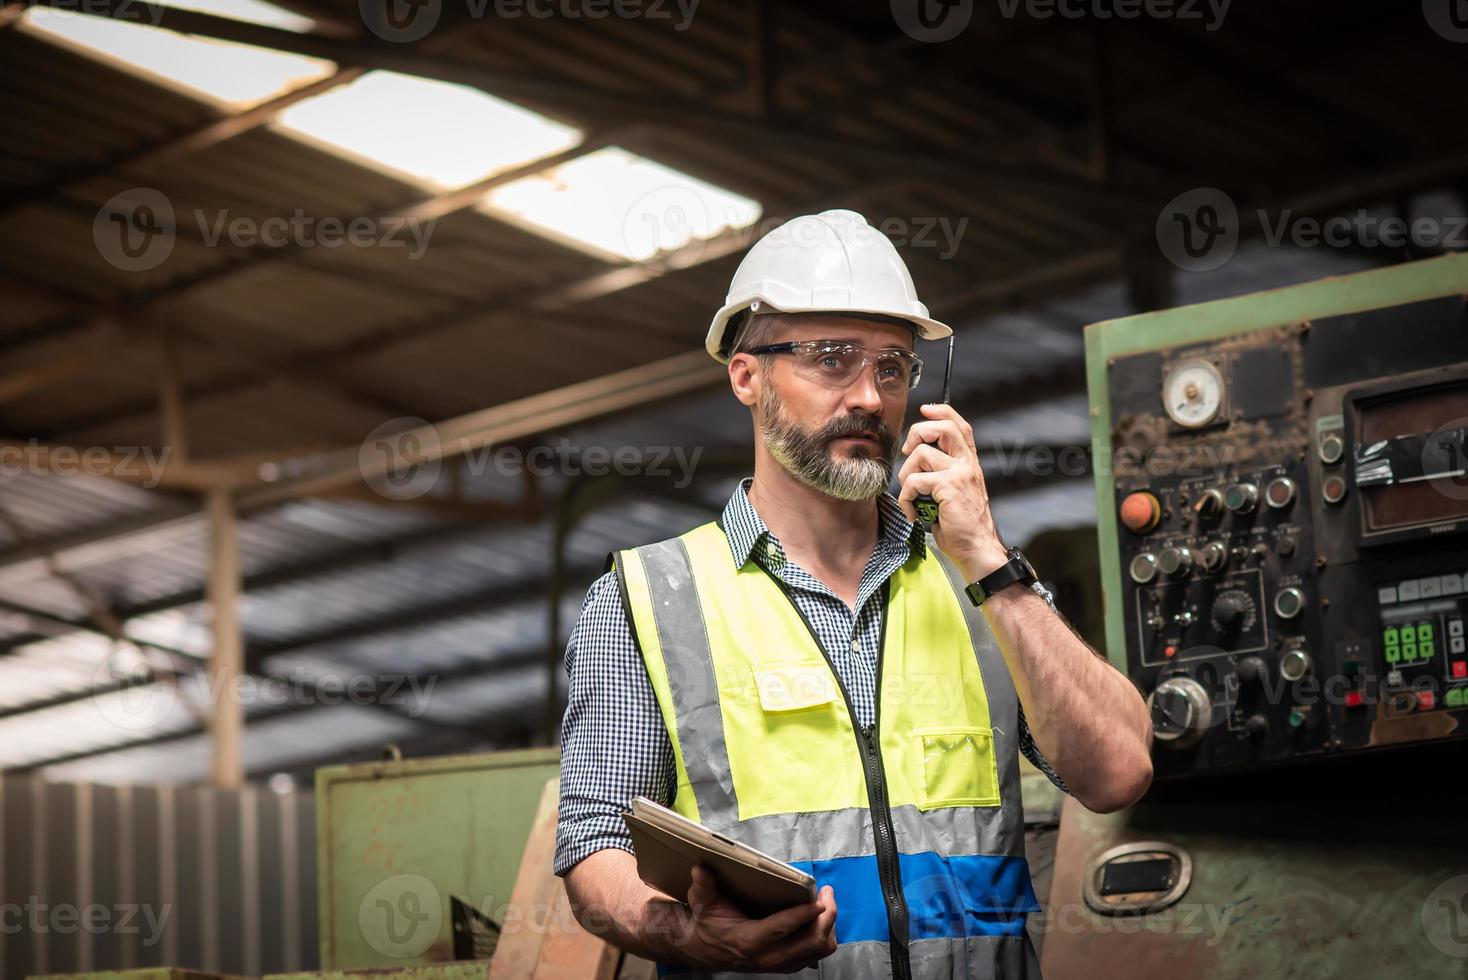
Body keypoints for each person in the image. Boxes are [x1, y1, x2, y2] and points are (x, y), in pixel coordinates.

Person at [554, 210, 1152, 978]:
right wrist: (693, 938)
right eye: (832, 360)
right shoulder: (649, 599)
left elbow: (1117, 773)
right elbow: (593, 848)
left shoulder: (982, 585)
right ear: (747, 374)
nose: (870, 396)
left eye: (893, 367)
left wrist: (986, 558)